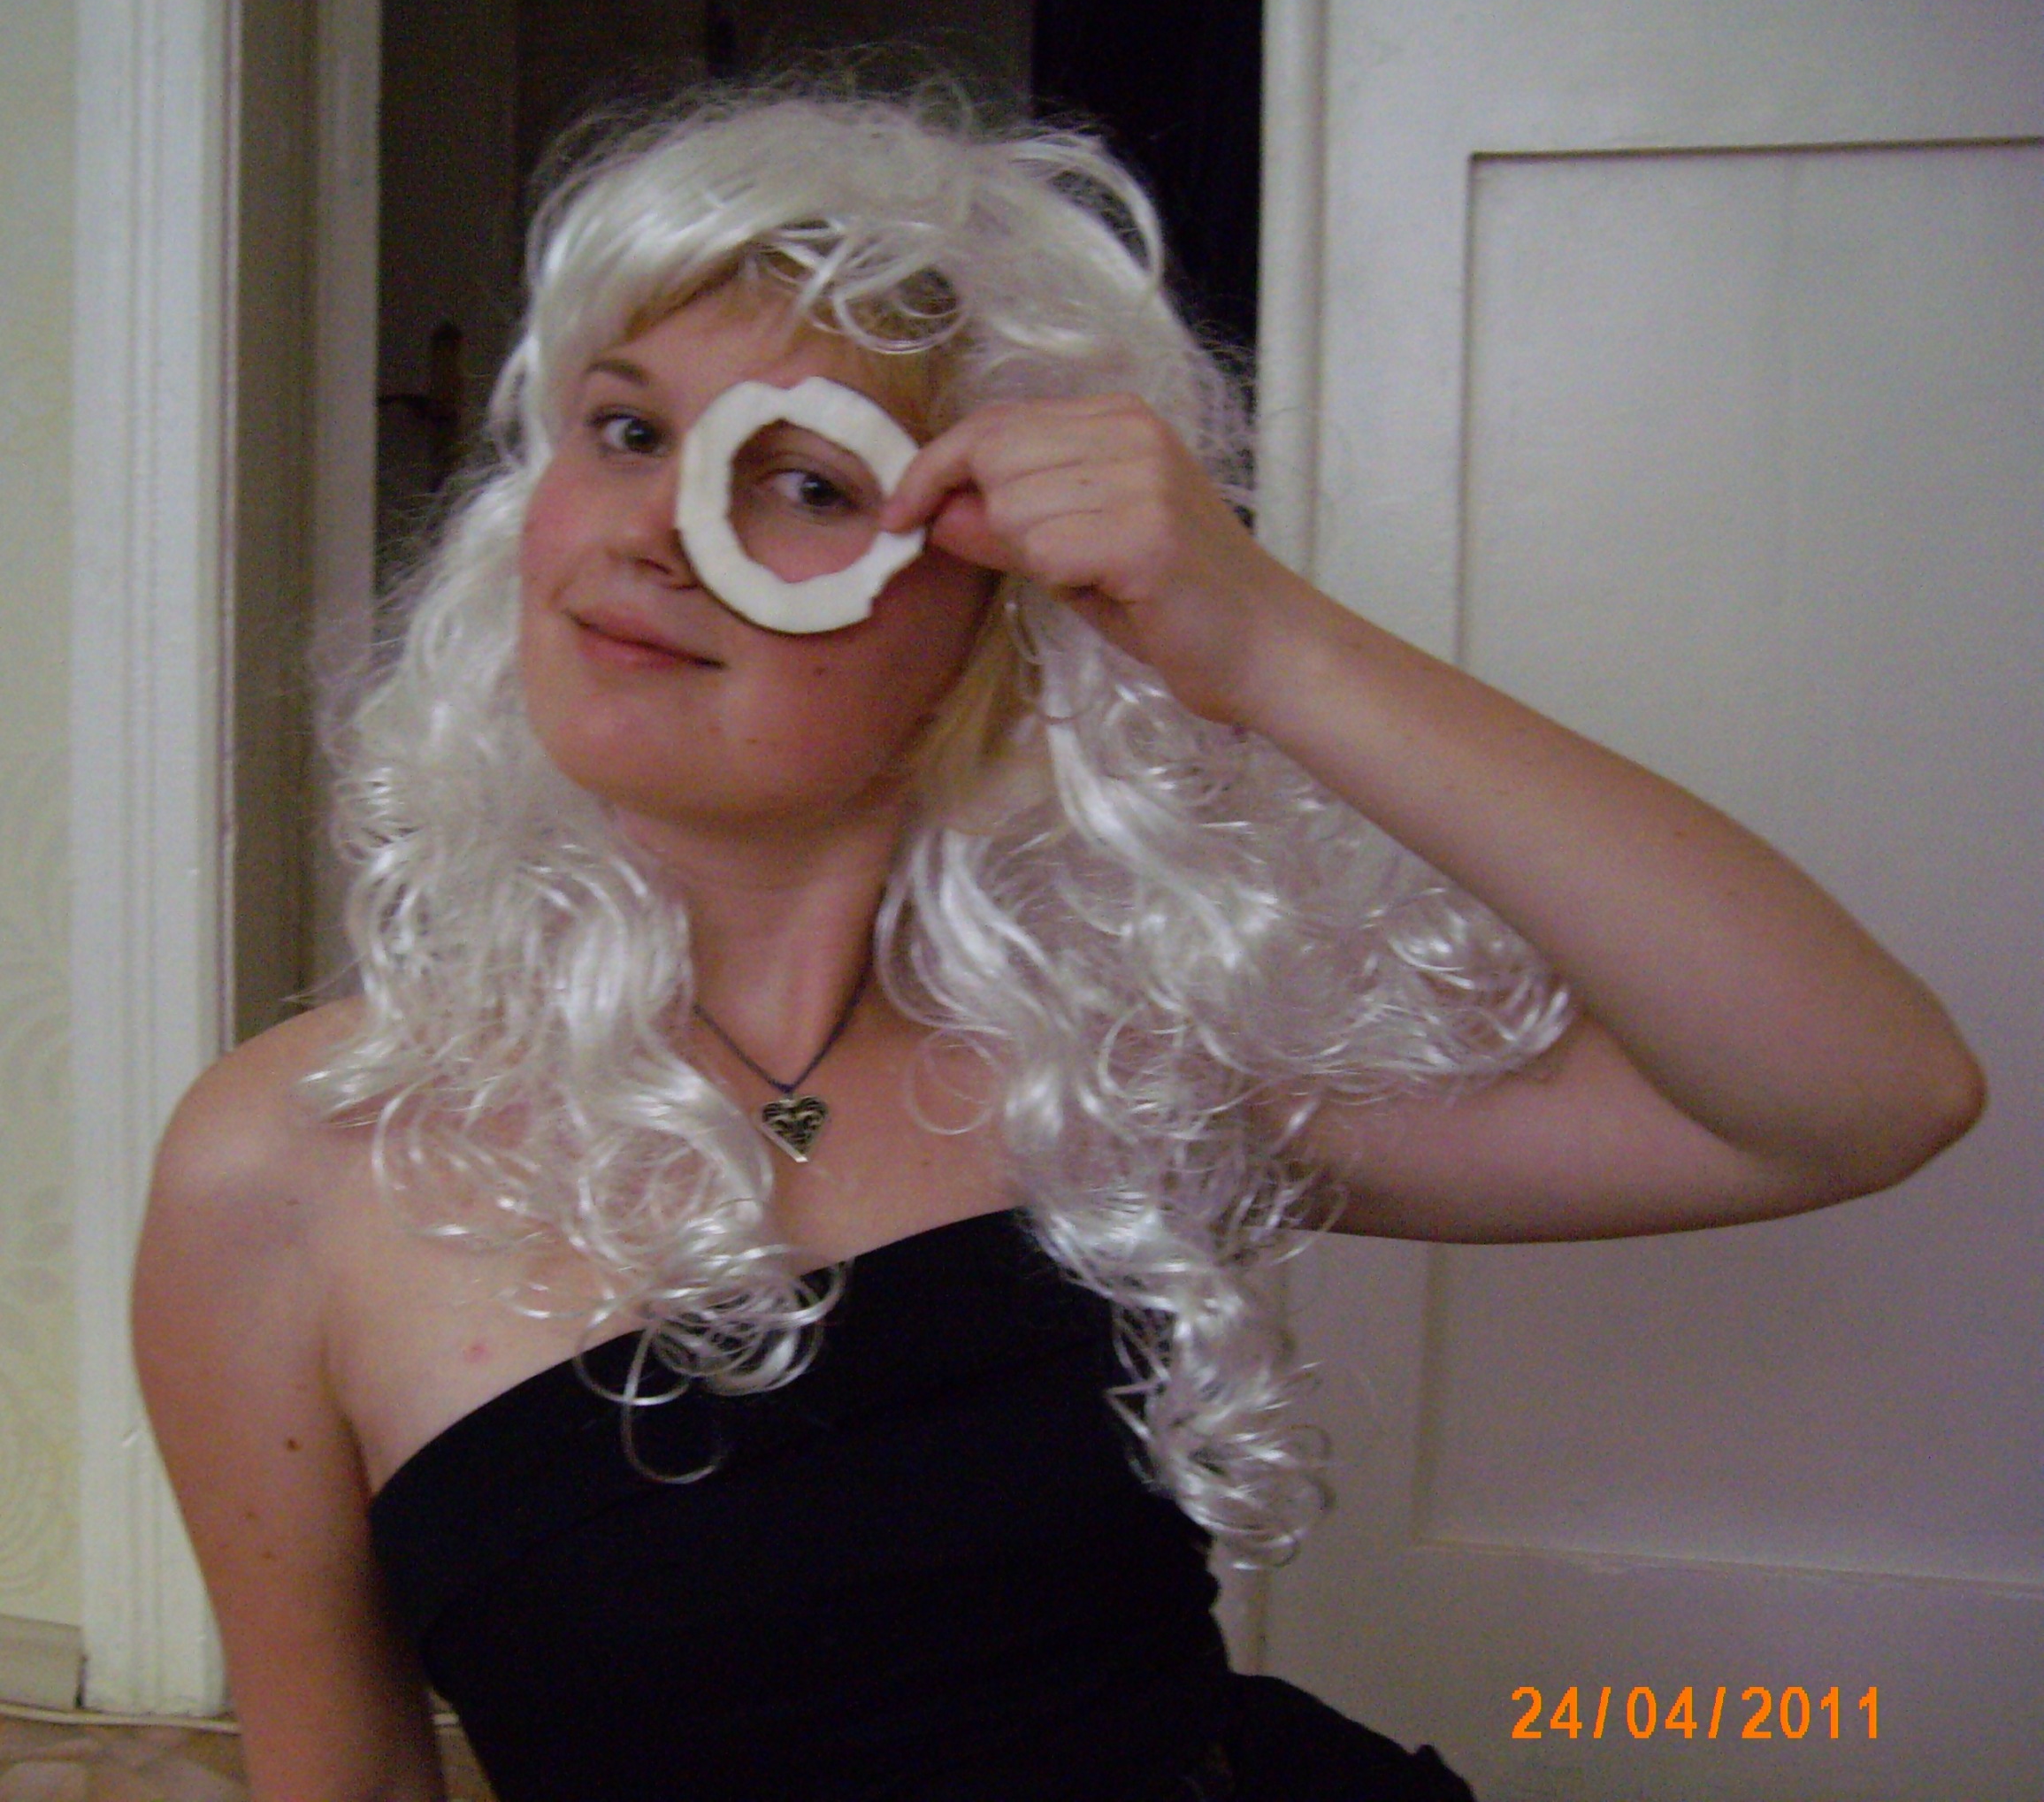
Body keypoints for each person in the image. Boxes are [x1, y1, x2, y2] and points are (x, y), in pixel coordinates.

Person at [132, 89, 1983, 1802]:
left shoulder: (1136, 1054)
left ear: (995, 618)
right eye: (626, 432)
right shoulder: (283, 1172)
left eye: (805, 482)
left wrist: (1265, 641)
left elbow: (1862, 1095)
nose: (656, 535)